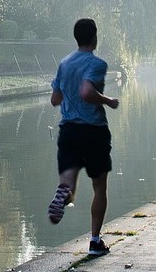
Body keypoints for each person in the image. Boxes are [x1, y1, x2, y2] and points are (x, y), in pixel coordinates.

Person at [47, 18, 119, 257]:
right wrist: (108, 101)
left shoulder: (64, 63)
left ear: (76, 37)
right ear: (94, 37)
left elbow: (55, 99)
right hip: (93, 131)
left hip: (68, 131)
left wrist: (69, 95)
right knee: (99, 187)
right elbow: (87, 91)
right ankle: (95, 241)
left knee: (67, 186)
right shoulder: (97, 63)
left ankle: (63, 194)